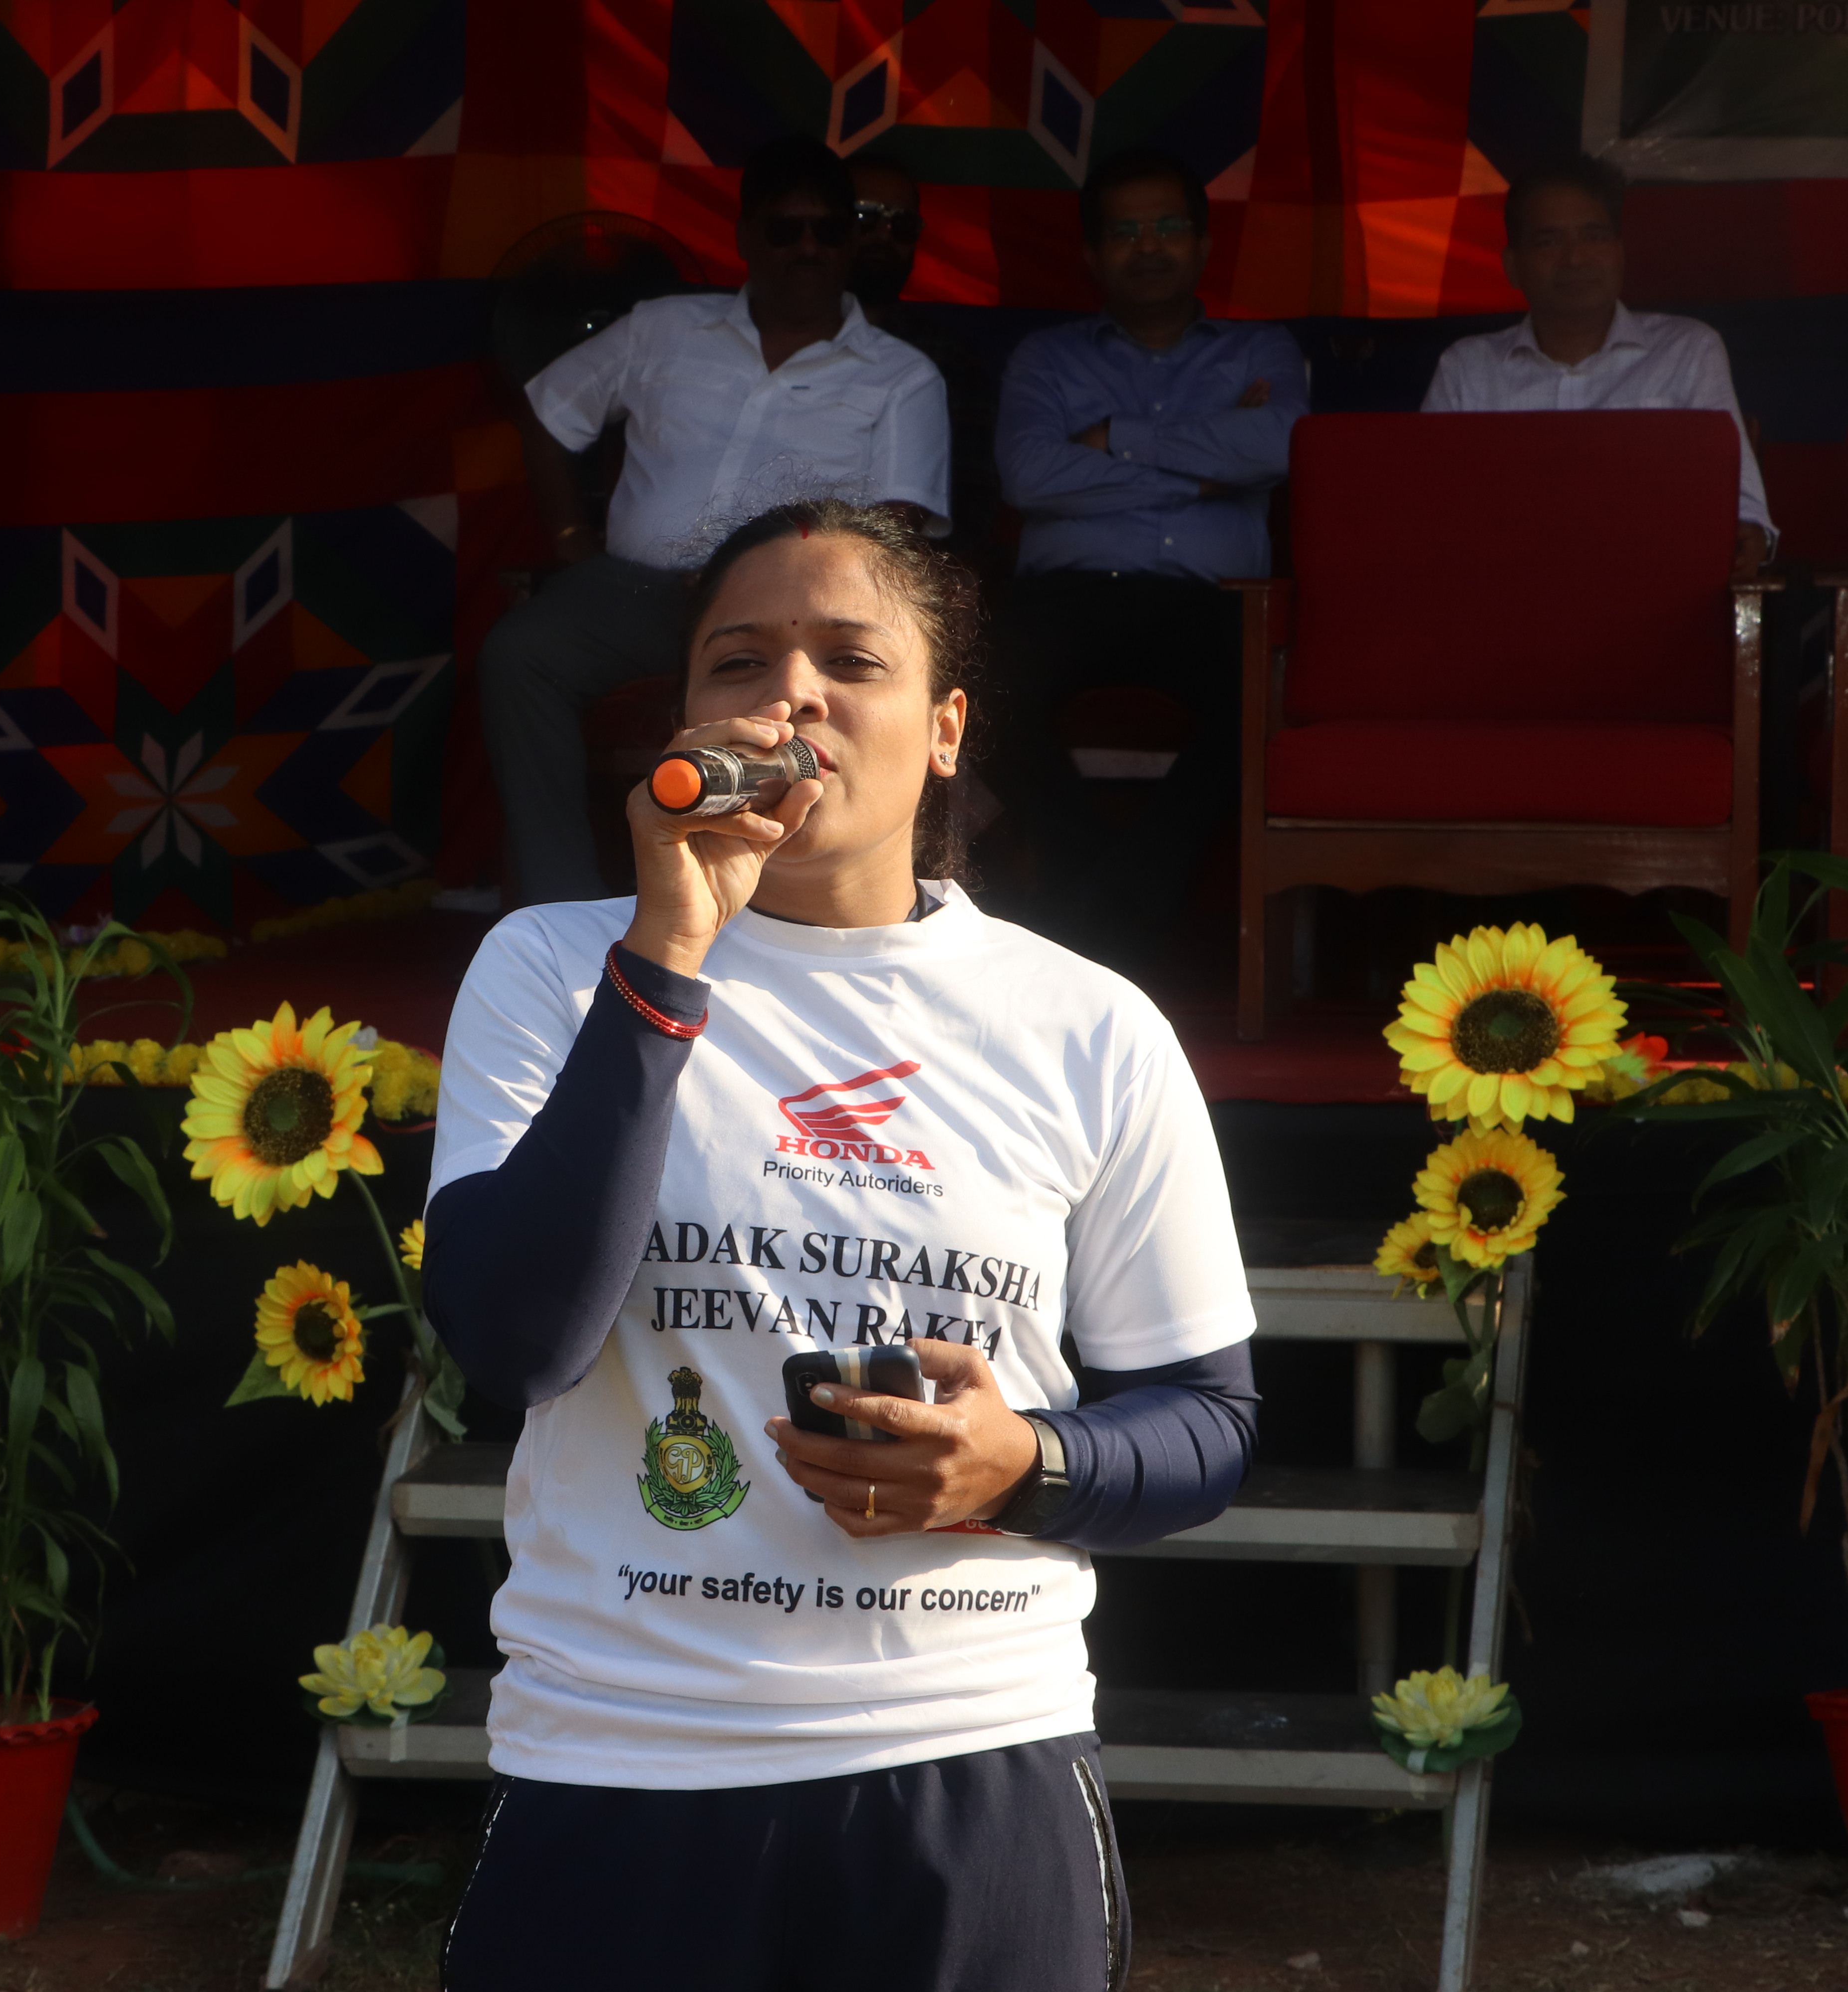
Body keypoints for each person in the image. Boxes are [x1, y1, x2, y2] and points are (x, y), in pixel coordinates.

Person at [426, 499, 1258, 1990]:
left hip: (970, 1762)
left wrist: (1023, 1463)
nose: (790, 696)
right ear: (685, 719)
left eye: (849, 661)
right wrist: (667, 960)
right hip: (624, 1755)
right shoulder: (552, 970)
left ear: (945, 732)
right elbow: (514, 1340)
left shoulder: (1087, 1025)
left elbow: (1207, 1420)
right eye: (739, 661)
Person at [482, 135, 951, 909]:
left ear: (851, 241)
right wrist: (571, 542)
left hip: (791, 618)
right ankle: (557, 908)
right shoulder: (663, 327)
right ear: (744, 237)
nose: (808, 248)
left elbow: (895, 530)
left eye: (829, 230)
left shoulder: (901, 376)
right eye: (785, 229)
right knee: (519, 654)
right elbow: (547, 410)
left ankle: (785, 909)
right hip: (637, 591)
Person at [987, 148, 1309, 967]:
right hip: (1068, 596)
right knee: (974, 689)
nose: (1150, 246)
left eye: (1168, 227)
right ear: (1093, 255)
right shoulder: (1048, 359)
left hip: (1216, 599)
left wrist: (1114, 442)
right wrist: (1208, 471)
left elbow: (1280, 446)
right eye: (1126, 232)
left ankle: (1105, 906)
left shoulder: (1260, 351)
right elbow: (1030, 477)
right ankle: (1116, 894)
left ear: (1203, 244)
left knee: (1262, 702)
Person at [1424, 153, 1775, 582]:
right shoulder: (1467, 367)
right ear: (1513, 267)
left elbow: (1741, 509)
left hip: (1654, 592)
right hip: (1506, 592)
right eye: (1549, 241)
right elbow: (1429, 511)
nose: (1575, 259)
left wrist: (1747, 535)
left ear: (1620, 252)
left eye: (1594, 236)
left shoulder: (1687, 350)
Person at [845, 156, 1000, 565]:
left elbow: (972, 501)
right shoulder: (770, 339)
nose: (883, 235)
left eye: (902, 224)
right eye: (865, 217)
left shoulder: (946, 357)